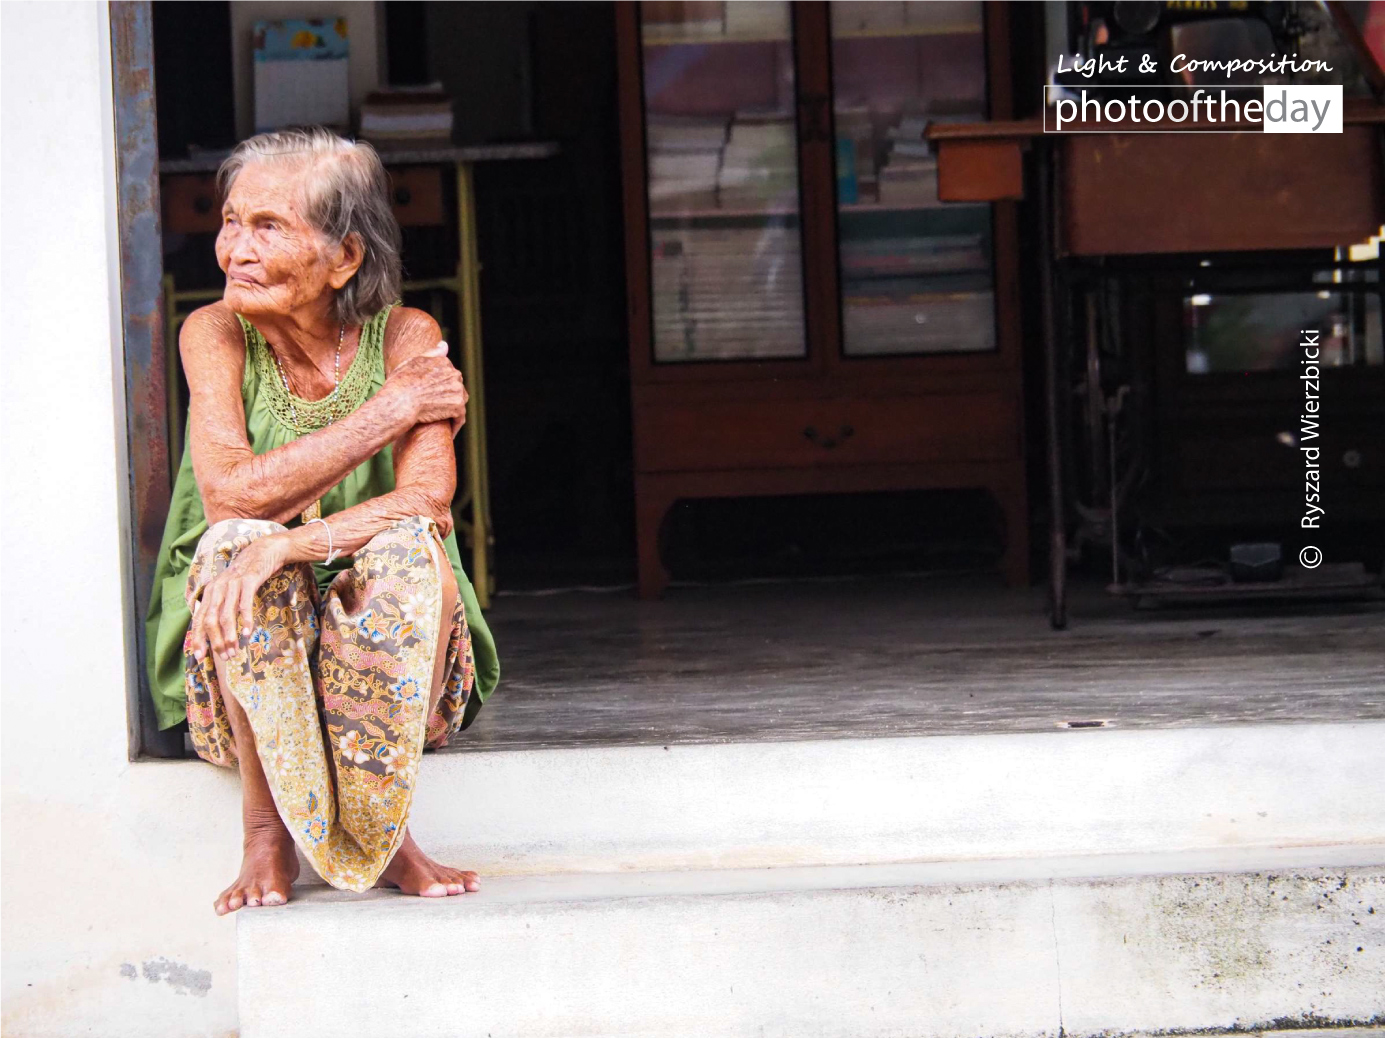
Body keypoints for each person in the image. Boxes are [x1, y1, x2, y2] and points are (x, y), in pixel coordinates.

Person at [144, 127, 500, 915]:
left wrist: (293, 546)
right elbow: (230, 497)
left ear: (344, 257)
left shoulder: (407, 335)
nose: (235, 247)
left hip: (393, 658)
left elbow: (427, 504)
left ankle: (386, 831)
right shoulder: (214, 333)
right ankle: (265, 828)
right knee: (238, 541)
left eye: (268, 227)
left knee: (406, 555)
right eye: (230, 221)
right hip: (235, 659)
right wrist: (394, 409)